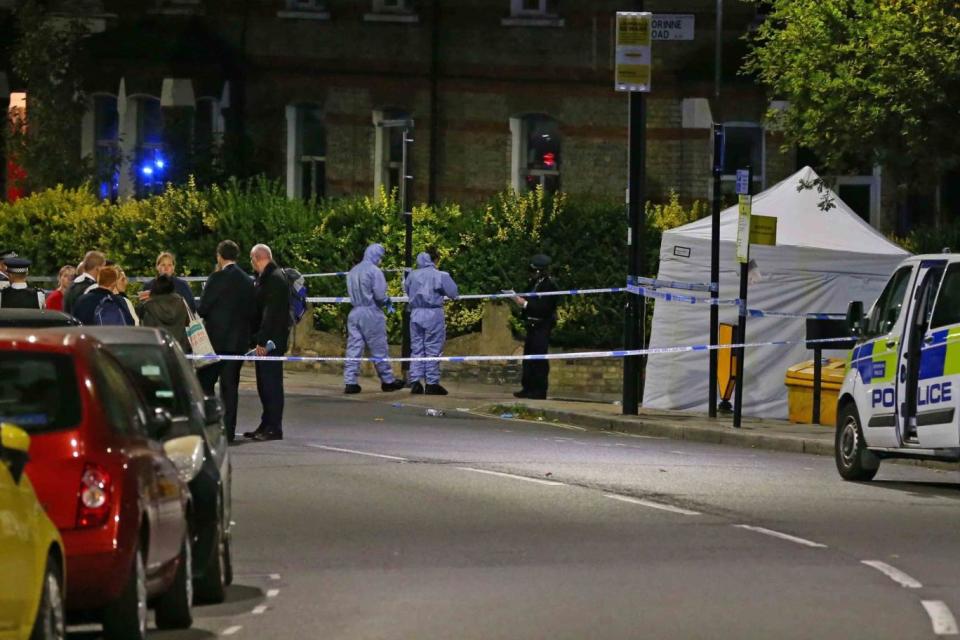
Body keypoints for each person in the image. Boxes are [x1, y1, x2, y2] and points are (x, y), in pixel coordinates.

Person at [198, 240, 256, 442]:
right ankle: (229, 432)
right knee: (230, 388)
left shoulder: (216, 278)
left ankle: (208, 427)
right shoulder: (247, 281)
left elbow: (203, 308)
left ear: (219, 256)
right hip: (238, 343)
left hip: (216, 342)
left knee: (204, 383)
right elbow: (252, 312)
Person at [243, 244, 291, 442]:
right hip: (269, 340)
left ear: (256, 258)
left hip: (271, 342)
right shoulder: (272, 277)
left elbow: (270, 315)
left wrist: (262, 341)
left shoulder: (273, 279)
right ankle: (266, 423)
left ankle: (273, 427)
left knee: (270, 384)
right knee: (264, 383)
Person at [343, 243, 405, 394]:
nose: (381, 260)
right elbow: (379, 296)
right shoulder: (374, 271)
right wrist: (388, 302)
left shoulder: (352, 271)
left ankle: (350, 382)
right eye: (380, 257)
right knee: (379, 348)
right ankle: (387, 381)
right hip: (370, 312)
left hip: (354, 312)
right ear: (376, 255)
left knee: (354, 348)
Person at [404, 251, 459, 395]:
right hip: (433, 313)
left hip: (415, 313)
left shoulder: (412, 275)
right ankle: (432, 383)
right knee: (433, 348)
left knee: (416, 348)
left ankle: (415, 381)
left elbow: (407, 291)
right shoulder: (440, 274)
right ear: (435, 260)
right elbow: (453, 293)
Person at [512, 254, 558, 400]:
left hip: (542, 325)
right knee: (528, 358)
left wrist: (524, 304)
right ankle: (528, 388)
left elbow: (544, 307)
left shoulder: (550, 285)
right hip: (531, 324)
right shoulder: (534, 284)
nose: (531, 274)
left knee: (539, 358)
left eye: (534, 271)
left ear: (540, 271)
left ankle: (539, 390)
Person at [138, 274, 190, 351]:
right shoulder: (181, 302)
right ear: (172, 287)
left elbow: (147, 329)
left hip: (158, 351)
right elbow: (187, 322)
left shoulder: (149, 306)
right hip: (180, 349)